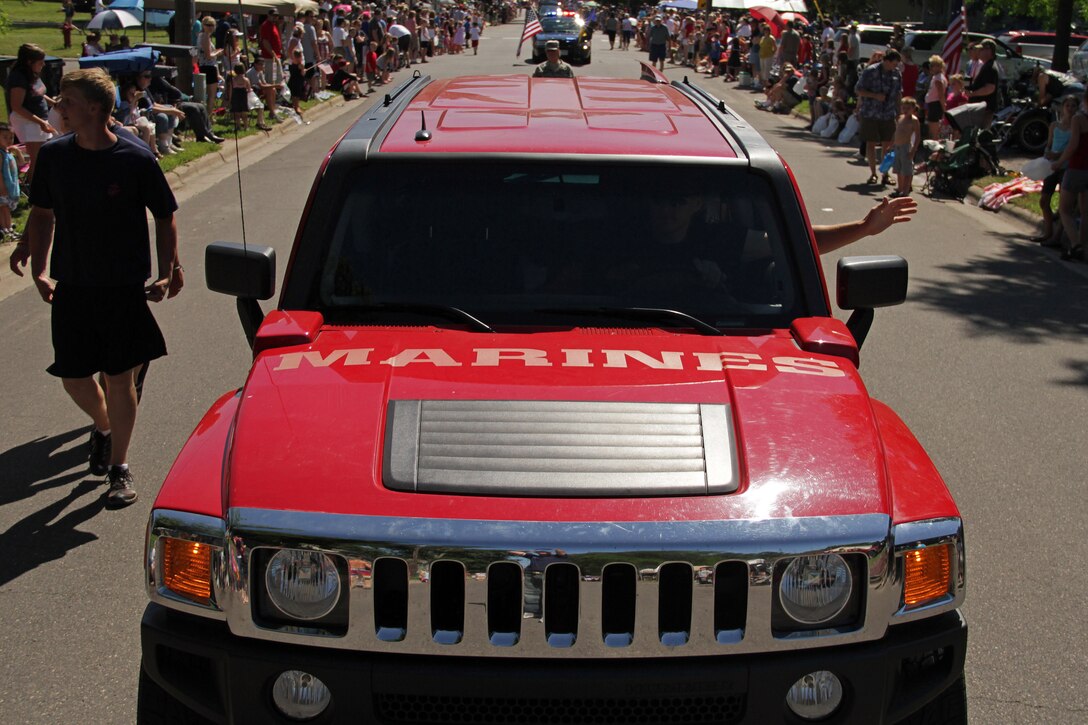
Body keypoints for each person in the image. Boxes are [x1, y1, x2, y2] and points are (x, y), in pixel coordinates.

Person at [14, 68, 181, 507]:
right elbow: (44, 212)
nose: (59, 109)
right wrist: (31, 255)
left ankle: (120, 467)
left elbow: (164, 214)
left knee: (119, 376)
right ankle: (104, 427)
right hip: (73, 282)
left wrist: (169, 268)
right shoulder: (54, 157)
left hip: (122, 285)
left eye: (66, 102)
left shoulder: (134, 159)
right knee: (73, 377)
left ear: (92, 108)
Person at [4, 44, 56, 185]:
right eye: (40, 62)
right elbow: (17, 106)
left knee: (42, 157)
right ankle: (34, 191)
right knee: (37, 159)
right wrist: (41, 122)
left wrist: (53, 103)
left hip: (37, 121)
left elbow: (38, 94)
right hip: (27, 121)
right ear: (29, 62)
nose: (43, 65)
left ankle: (36, 186)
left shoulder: (31, 75)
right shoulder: (18, 78)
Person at [855, 48, 902, 185]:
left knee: (887, 145)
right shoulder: (871, 71)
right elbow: (858, 89)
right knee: (871, 143)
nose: (895, 66)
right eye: (893, 63)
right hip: (871, 112)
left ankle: (885, 173)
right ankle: (873, 173)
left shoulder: (896, 74)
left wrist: (899, 112)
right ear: (886, 61)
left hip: (888, 113)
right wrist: (875, 96)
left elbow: (898, 93)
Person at [1036, 95, 1077, 246]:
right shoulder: (1054, 126)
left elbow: (1071, 148)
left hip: (1065, 167)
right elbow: (1049, 143)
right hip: (1052, 166)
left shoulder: (1075, 128)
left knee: (1064, 205)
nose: (1070, 109)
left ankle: (1057, 237)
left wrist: (1058, 156)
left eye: (1073, 106)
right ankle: (1048, 232)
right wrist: (1047, 153)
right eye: (1068, 106)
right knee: (1044, 200)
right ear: (1062, 108)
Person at [1053, 87, 1088, 262]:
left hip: (1077, 167)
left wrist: (1059, 162)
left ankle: (1075, 244)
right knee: (1084, 211)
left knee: (1065, 209)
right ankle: (1083, 247)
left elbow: (1073, 145)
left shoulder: (1079, 119)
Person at [965, 39, 999, 129]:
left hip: (985, 109)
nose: (978, 52)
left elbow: (990, 88)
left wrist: (973, 94)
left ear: (989, 51)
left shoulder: (990, 67)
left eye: (981, 49)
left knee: (980, 134)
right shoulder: (986, 65)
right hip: (980, 108)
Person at [891, 98, 920, 198]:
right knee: (898, 170)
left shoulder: (914, 120)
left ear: (913, 108)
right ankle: (900, 189)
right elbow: (896, 132)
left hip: (906, 146)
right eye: (903, 108)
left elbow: (917, 136)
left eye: (908, 108)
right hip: (897, 146)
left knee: (907, 170)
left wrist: (913, 150)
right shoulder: (900, 118)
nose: (905, 110)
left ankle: (906, 190)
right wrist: (892, 144)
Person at [0, 123, 19, 239]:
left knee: (7, 208)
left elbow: (21, 163)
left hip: (10, 185)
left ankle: (8, 227)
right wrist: (1, 186)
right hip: (3, 187)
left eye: (11, 137)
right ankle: (6, 228)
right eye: (5, 137)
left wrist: (18, 152)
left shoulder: (8, 152)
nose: (9, 140)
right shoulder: (0, 154)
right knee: (3, 208)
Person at [924, 55, 947, 140]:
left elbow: (941, 95)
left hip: (935, 105)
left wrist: (944, 108)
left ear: (939, 66)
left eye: (934, 65)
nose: (932, 68)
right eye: (931, 65)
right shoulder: (936, 77)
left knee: (933, 130)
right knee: (931, 127)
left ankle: (933, 147)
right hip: (932, 104)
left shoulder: (938, 79)